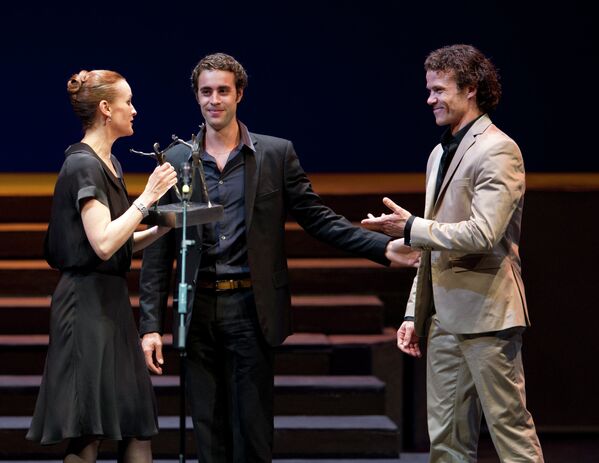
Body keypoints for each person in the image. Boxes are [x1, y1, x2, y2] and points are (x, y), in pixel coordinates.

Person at [138, 52, 419, 463]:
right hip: (197, 310)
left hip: (251, 308)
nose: (214, 100)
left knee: (252, 431)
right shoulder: (177, 161)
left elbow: (319, 219)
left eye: (223, 91)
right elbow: (159, 250)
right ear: (196, 98)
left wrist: (383, 247)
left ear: (239, 95)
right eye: (206, 92)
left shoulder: (274, 154)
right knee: (208, 431)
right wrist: (150, 324)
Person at [362, 44, 544, 462]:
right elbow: (432, 245)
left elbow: (483, 233)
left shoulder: (497, 149)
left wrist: (410, 227)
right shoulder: (439, 153)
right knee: (445, 440)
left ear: (470, 89)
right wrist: (414, 311)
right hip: (443, 318)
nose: (430, 99)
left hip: (487, 316)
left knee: (509, 432)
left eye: (439, 90)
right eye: (429, 90)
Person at [26, 69, 178, 463]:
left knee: (134, 424)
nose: (135, 110)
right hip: (85, 308)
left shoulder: (109, 163)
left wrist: (165, 226)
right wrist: (147, 198)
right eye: (128, 102)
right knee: (87, 431)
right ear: (106, 109)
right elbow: (104, 243)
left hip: (109, 304)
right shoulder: (83, 165)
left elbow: (120, 239)